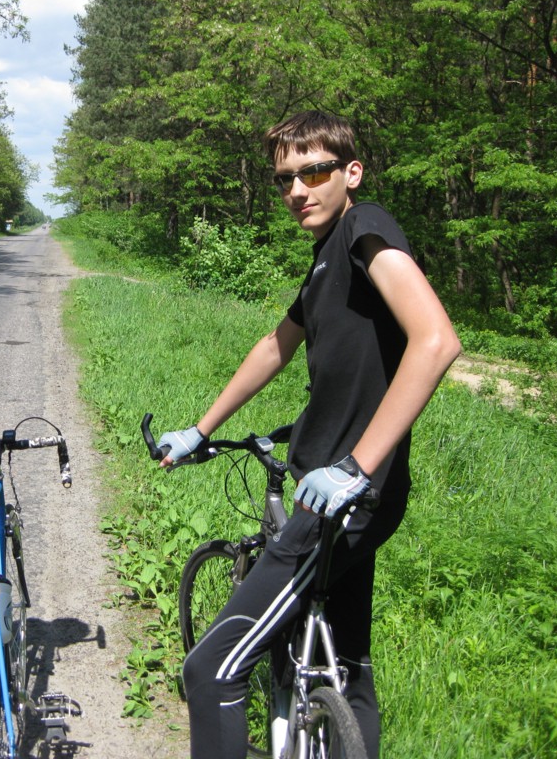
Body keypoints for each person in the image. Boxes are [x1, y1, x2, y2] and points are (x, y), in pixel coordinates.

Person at [158, 111, 461, 758]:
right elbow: (276, 345)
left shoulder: (364, 228)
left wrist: (356, 465)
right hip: (357, 493)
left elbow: (436, 341)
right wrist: (200, 429)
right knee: (346, 669)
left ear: (351, 173)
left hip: (343, 498)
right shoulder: (326, 261)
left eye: (314, 172)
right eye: (284, 179)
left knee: (210, 671)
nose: (297, 190)